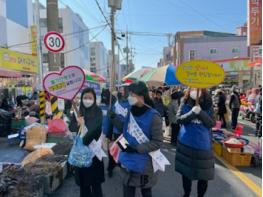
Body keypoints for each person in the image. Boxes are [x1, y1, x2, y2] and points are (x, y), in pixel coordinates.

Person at [117, 81, 163, 197]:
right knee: (127, 189)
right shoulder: (130, 111)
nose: (129, 97)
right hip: (128, 159)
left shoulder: (154, 116)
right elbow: (125, 131)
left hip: (144, 163)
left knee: (146, 191)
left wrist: (137, 148)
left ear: (141, 96)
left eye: (132, 95)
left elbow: (157, 142)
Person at [175, 88, 215, 197]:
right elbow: (178, 119)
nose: (195, 90)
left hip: (203, 145)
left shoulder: (208, 104)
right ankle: (186, 193)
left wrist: (201, 113)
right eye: (192, 88)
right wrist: (192, 113)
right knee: (186, 174)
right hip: (186, 144)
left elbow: (211, 123)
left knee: (203, 176)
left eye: (198, 88)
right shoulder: (185, 101)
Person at [74, 88, 105, 197]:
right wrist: (77, 124)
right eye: (85, 98)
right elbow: (71, 127)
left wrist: (83, 125)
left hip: (93, 155)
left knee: (96, 187)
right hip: (81, 155)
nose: (87, 100)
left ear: (94, 99)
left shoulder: (98, 112)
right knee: (83, 187)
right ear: (81, 99)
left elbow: (94, 131)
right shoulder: (78, 112)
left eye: (90, 98)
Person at [107, 87, 129, 177]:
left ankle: (123, 166)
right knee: (113, 151)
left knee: (124, 150)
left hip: (125, 133)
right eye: (120, 91)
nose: (121, 92)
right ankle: (110, 168)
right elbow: (110, 119)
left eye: (123, 90)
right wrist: (108, 132)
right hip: (116, 132)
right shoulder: (115, 103)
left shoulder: (130, 104)